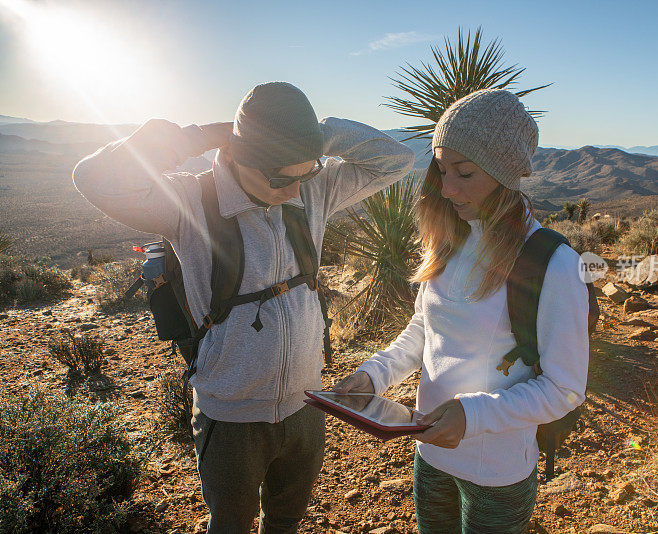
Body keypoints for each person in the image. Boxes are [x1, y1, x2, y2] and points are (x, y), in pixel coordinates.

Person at [72, 82, 415, 534]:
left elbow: (397, 159)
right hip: (230, 415)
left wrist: (315, 138)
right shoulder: (189, 203)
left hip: (306, 404)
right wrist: (197, 136)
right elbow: (92, 178)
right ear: (235, 156)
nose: (293, 190)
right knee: (230, 523)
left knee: (286, 521)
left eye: (305, 174)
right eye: (278, 177)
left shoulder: (311, 192)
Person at [334, 89, 589, 534]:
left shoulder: (552, 262)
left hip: (497, 471)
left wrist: (472, 416)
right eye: (441, 168)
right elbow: (423, 329)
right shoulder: (449, 238)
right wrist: (372, 376)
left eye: (465, 172)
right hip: (429, 452)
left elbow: (564, 389)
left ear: (504, 173)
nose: (447, 187)